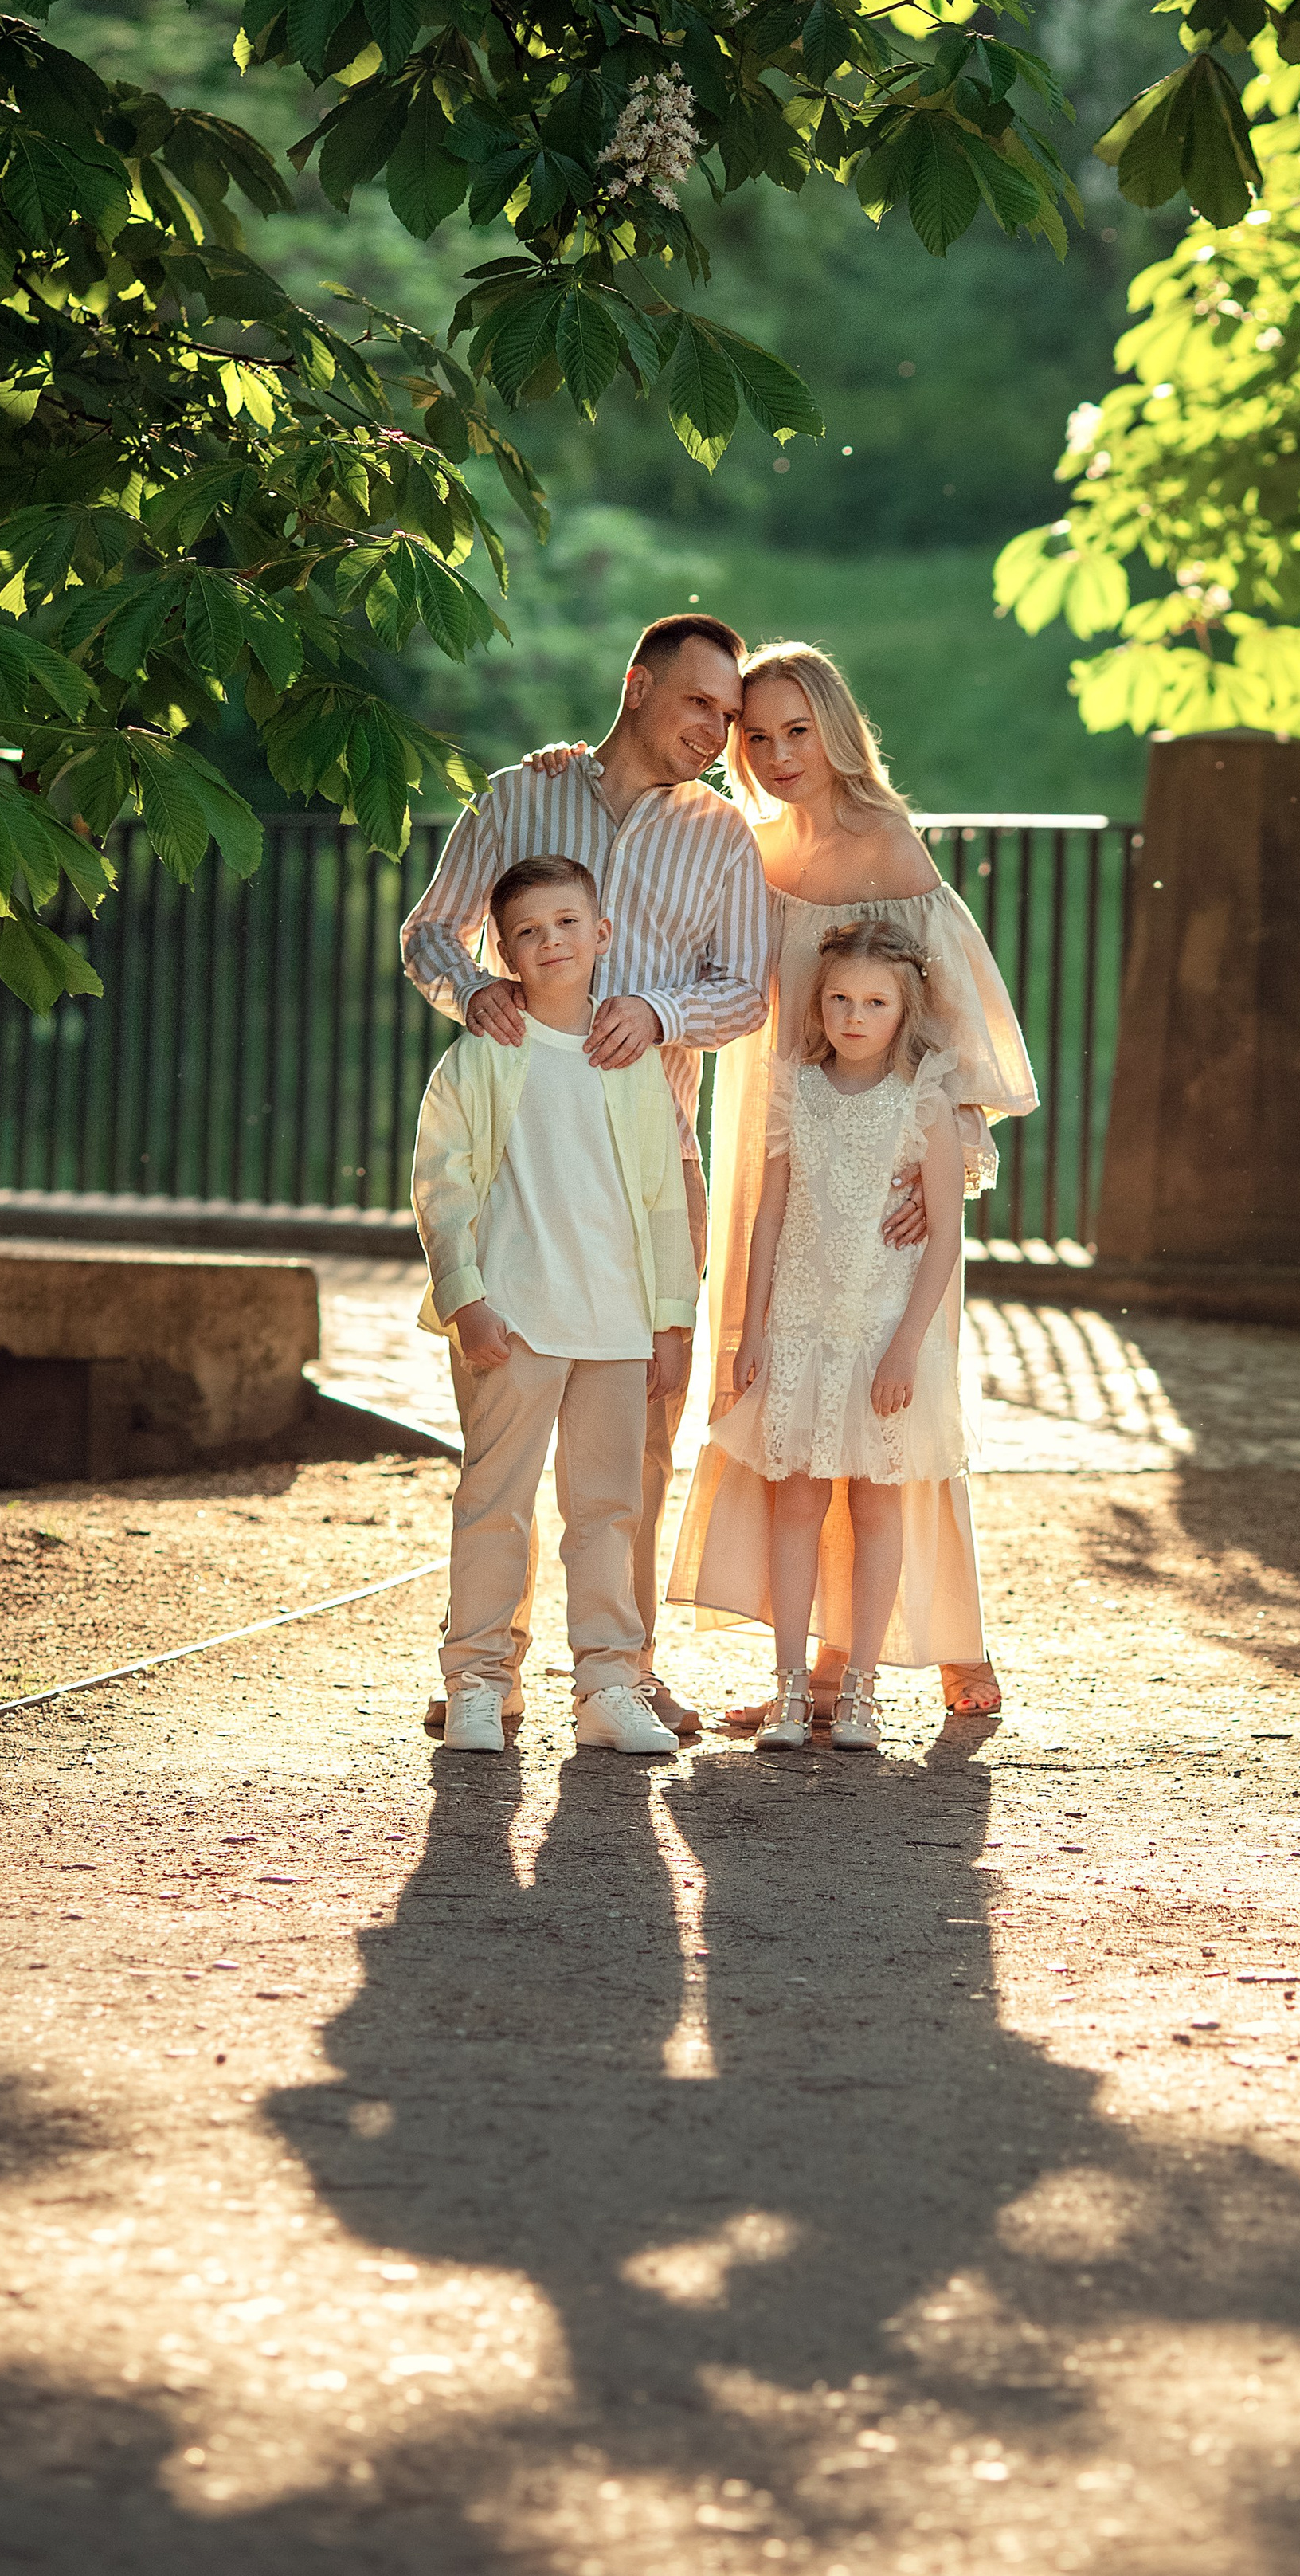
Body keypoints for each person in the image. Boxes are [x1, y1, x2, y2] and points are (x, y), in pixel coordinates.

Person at [400, 613, 774, 1739]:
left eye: (731, 716)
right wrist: (475, 992)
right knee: (505, 1435)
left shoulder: (721, 835)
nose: (716, 731)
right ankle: (485, 1672)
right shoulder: (524, 793)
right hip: (520, 1152)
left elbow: (747, 990)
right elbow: (430, 933)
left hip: (658, 1155)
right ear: (638, 684)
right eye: (699, 703)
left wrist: (658, 1010)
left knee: (640, 1425)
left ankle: (621, 1670)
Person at [697, 643, 1037, 1728]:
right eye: (758, 735)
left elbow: (951, 1021)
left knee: (890, 1422)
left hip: (886, 1173)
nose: (779, 753)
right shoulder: (744, 848)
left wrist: (950, 1164)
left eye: (799, 730)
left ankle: (932, 1639)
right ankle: (805, 1669)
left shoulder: (890, 844)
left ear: (837, 729)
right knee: (788, 1416)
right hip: (779, 1143)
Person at [411, 854, 699, 1756]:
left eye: (569, 923)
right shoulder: (480, 1058)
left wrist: (671, 1318)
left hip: (616, 1326)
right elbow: (441, 1186)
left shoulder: (633, 1062)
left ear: (601, 934)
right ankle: (479, 1679)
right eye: (529, 931)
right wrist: (466, 1299)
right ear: (502, 952)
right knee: (495, 1500)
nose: (552, 942)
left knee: (608, 1508)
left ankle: (608, 1681)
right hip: (515, 1320)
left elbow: (661, 1198)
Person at [671, 920, 969, 1747]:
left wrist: (908, 1342)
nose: (852, 1014)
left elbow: (943, 1235)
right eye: (838, 997)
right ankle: (792, 1689)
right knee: (794, 1501)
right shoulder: (792, 1089)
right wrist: (754, 1325)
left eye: (874, 1001)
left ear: (903, 1010)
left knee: (877, 1505)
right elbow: (768, 1214)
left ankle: (863, 1690)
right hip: (800, 1328)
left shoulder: (924, 1102)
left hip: (880, 1333)